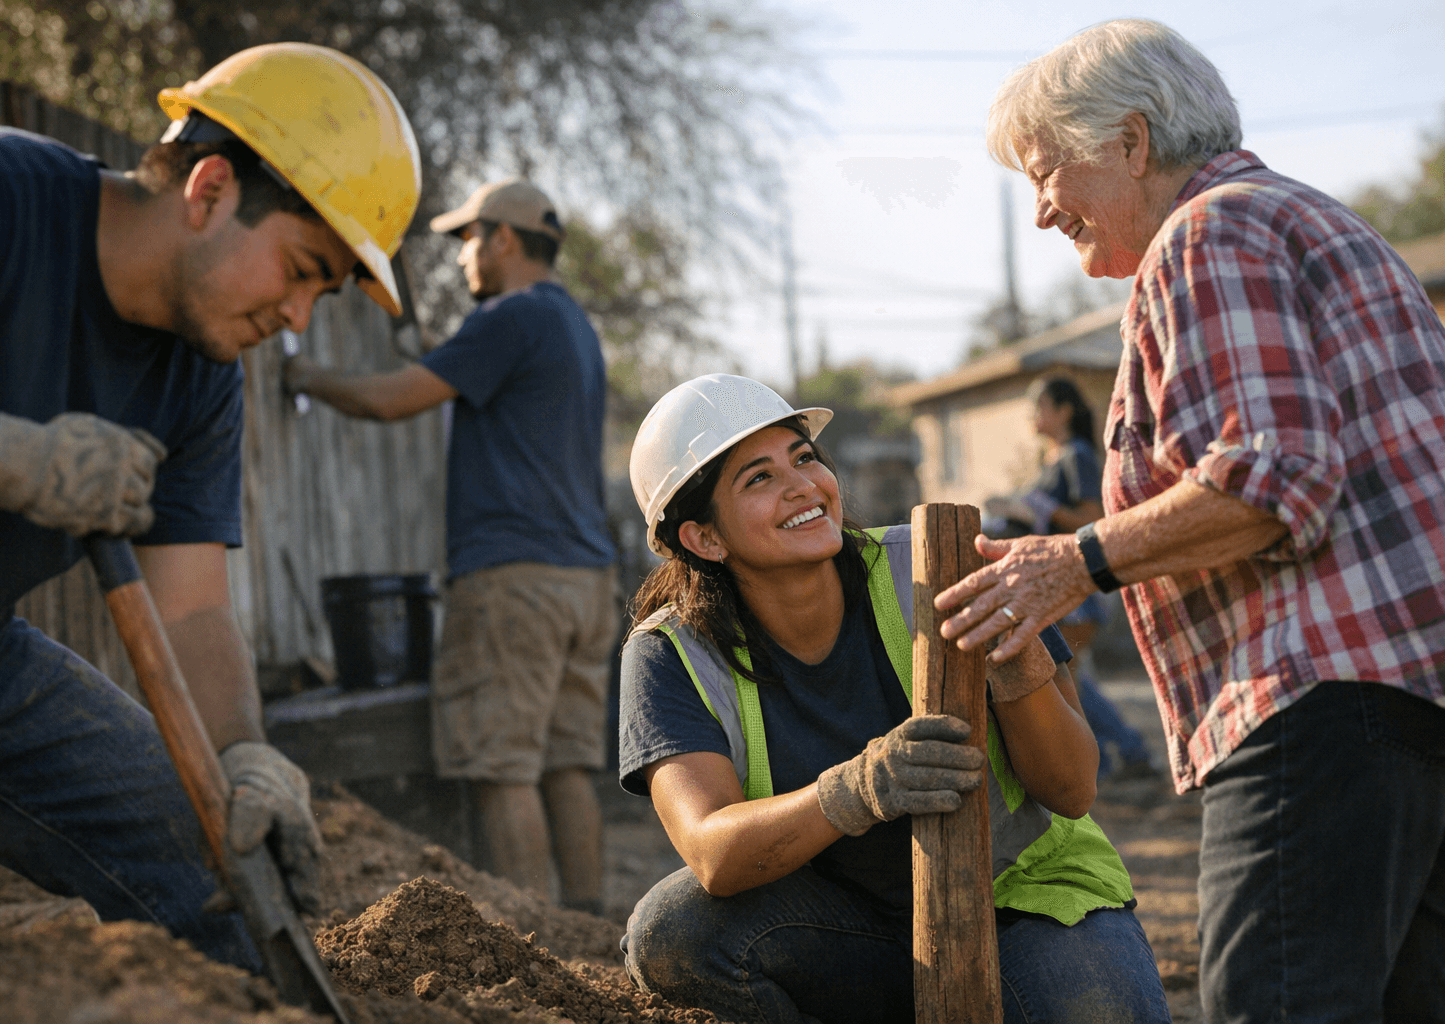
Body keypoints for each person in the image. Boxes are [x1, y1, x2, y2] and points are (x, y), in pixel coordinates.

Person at [936, 18, 1445, 1023]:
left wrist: (1073, 560)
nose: (1042, 213)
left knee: (1278, 1001)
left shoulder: (1209, 232)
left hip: (1322, 696)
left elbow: (1271, 480)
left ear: (1131, 143)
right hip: (1411, 697)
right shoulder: (1320, 223)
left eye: (1047, 174)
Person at [0, 43, 422, 970]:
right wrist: (1, 456)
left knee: (223, 886)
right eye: (302, 268)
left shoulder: (203, 371)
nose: (300, 318)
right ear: (211, 188)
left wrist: (242, 759)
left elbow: (190, 606)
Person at [617, 373, 1169, 1023]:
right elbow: (713, 852)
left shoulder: (942, 567)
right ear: (703, 538)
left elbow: (1072, 788)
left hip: (1024, 900)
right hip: (848, 932)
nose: (802, 485)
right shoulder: (671, 652)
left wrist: (1015, 653)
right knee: (674, 932)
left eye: (803, 458)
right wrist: (857, 788)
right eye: (758, 478)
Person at [283, 179, 619, 914]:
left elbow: (389, 399)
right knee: (566, 764)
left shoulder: (511, 317)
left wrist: (305, 374)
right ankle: (594, 935)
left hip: (514, 579)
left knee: (502, 768)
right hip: (588, 581)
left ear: (503, 238)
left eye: (467, 238)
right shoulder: (572, 325)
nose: (462, 256)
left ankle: (536, 945)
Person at [985, 376, 1157, 781]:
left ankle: (1126, 752)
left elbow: (1093, 519)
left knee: (1070, 682)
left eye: (1040, 406)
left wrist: (1040, 510)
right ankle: (1118, 756)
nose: (1033, 415)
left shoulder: (1076, 456)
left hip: (1074, 587)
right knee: (1071, 679)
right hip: (1054, 587)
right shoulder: (1053, 457)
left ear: (1062, 411)